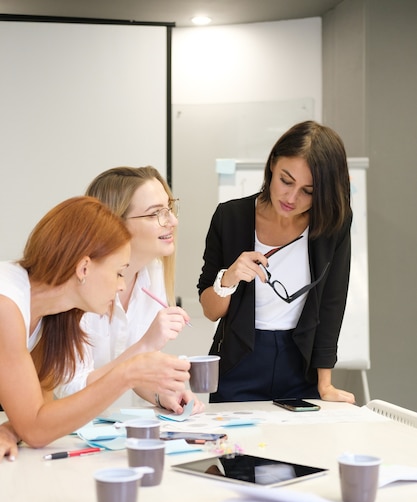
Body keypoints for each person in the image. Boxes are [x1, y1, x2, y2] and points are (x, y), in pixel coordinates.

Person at [0, 196, 190, 454]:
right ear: (84, 268)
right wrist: (128, 373)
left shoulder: (50, 316)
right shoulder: (7, 304)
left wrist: (12, 429)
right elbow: (36, 430)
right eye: (119, 272)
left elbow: (38, 414)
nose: (122, 285)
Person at [197, 120, 356, 404]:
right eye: (286, 180)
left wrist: (325, 384)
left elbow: (332, 303)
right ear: (272, 164)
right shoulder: (230, 217)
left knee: (299, 448)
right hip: (239, 362)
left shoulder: (333, 226)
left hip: (300, 367)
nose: (291, 198)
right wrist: (229, 278)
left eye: (308, 191)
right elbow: (210, 310)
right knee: (237, 448)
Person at [55, 165, 204, 414]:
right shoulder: (76, 285)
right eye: (155, 213)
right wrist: (145, 345)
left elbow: (135, 372)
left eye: (169, 208)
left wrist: (161, 394)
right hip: (61, 427)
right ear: (114, 223)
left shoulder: (153, 273)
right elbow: (71, 390)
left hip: (109, 427)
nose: (173, 221)